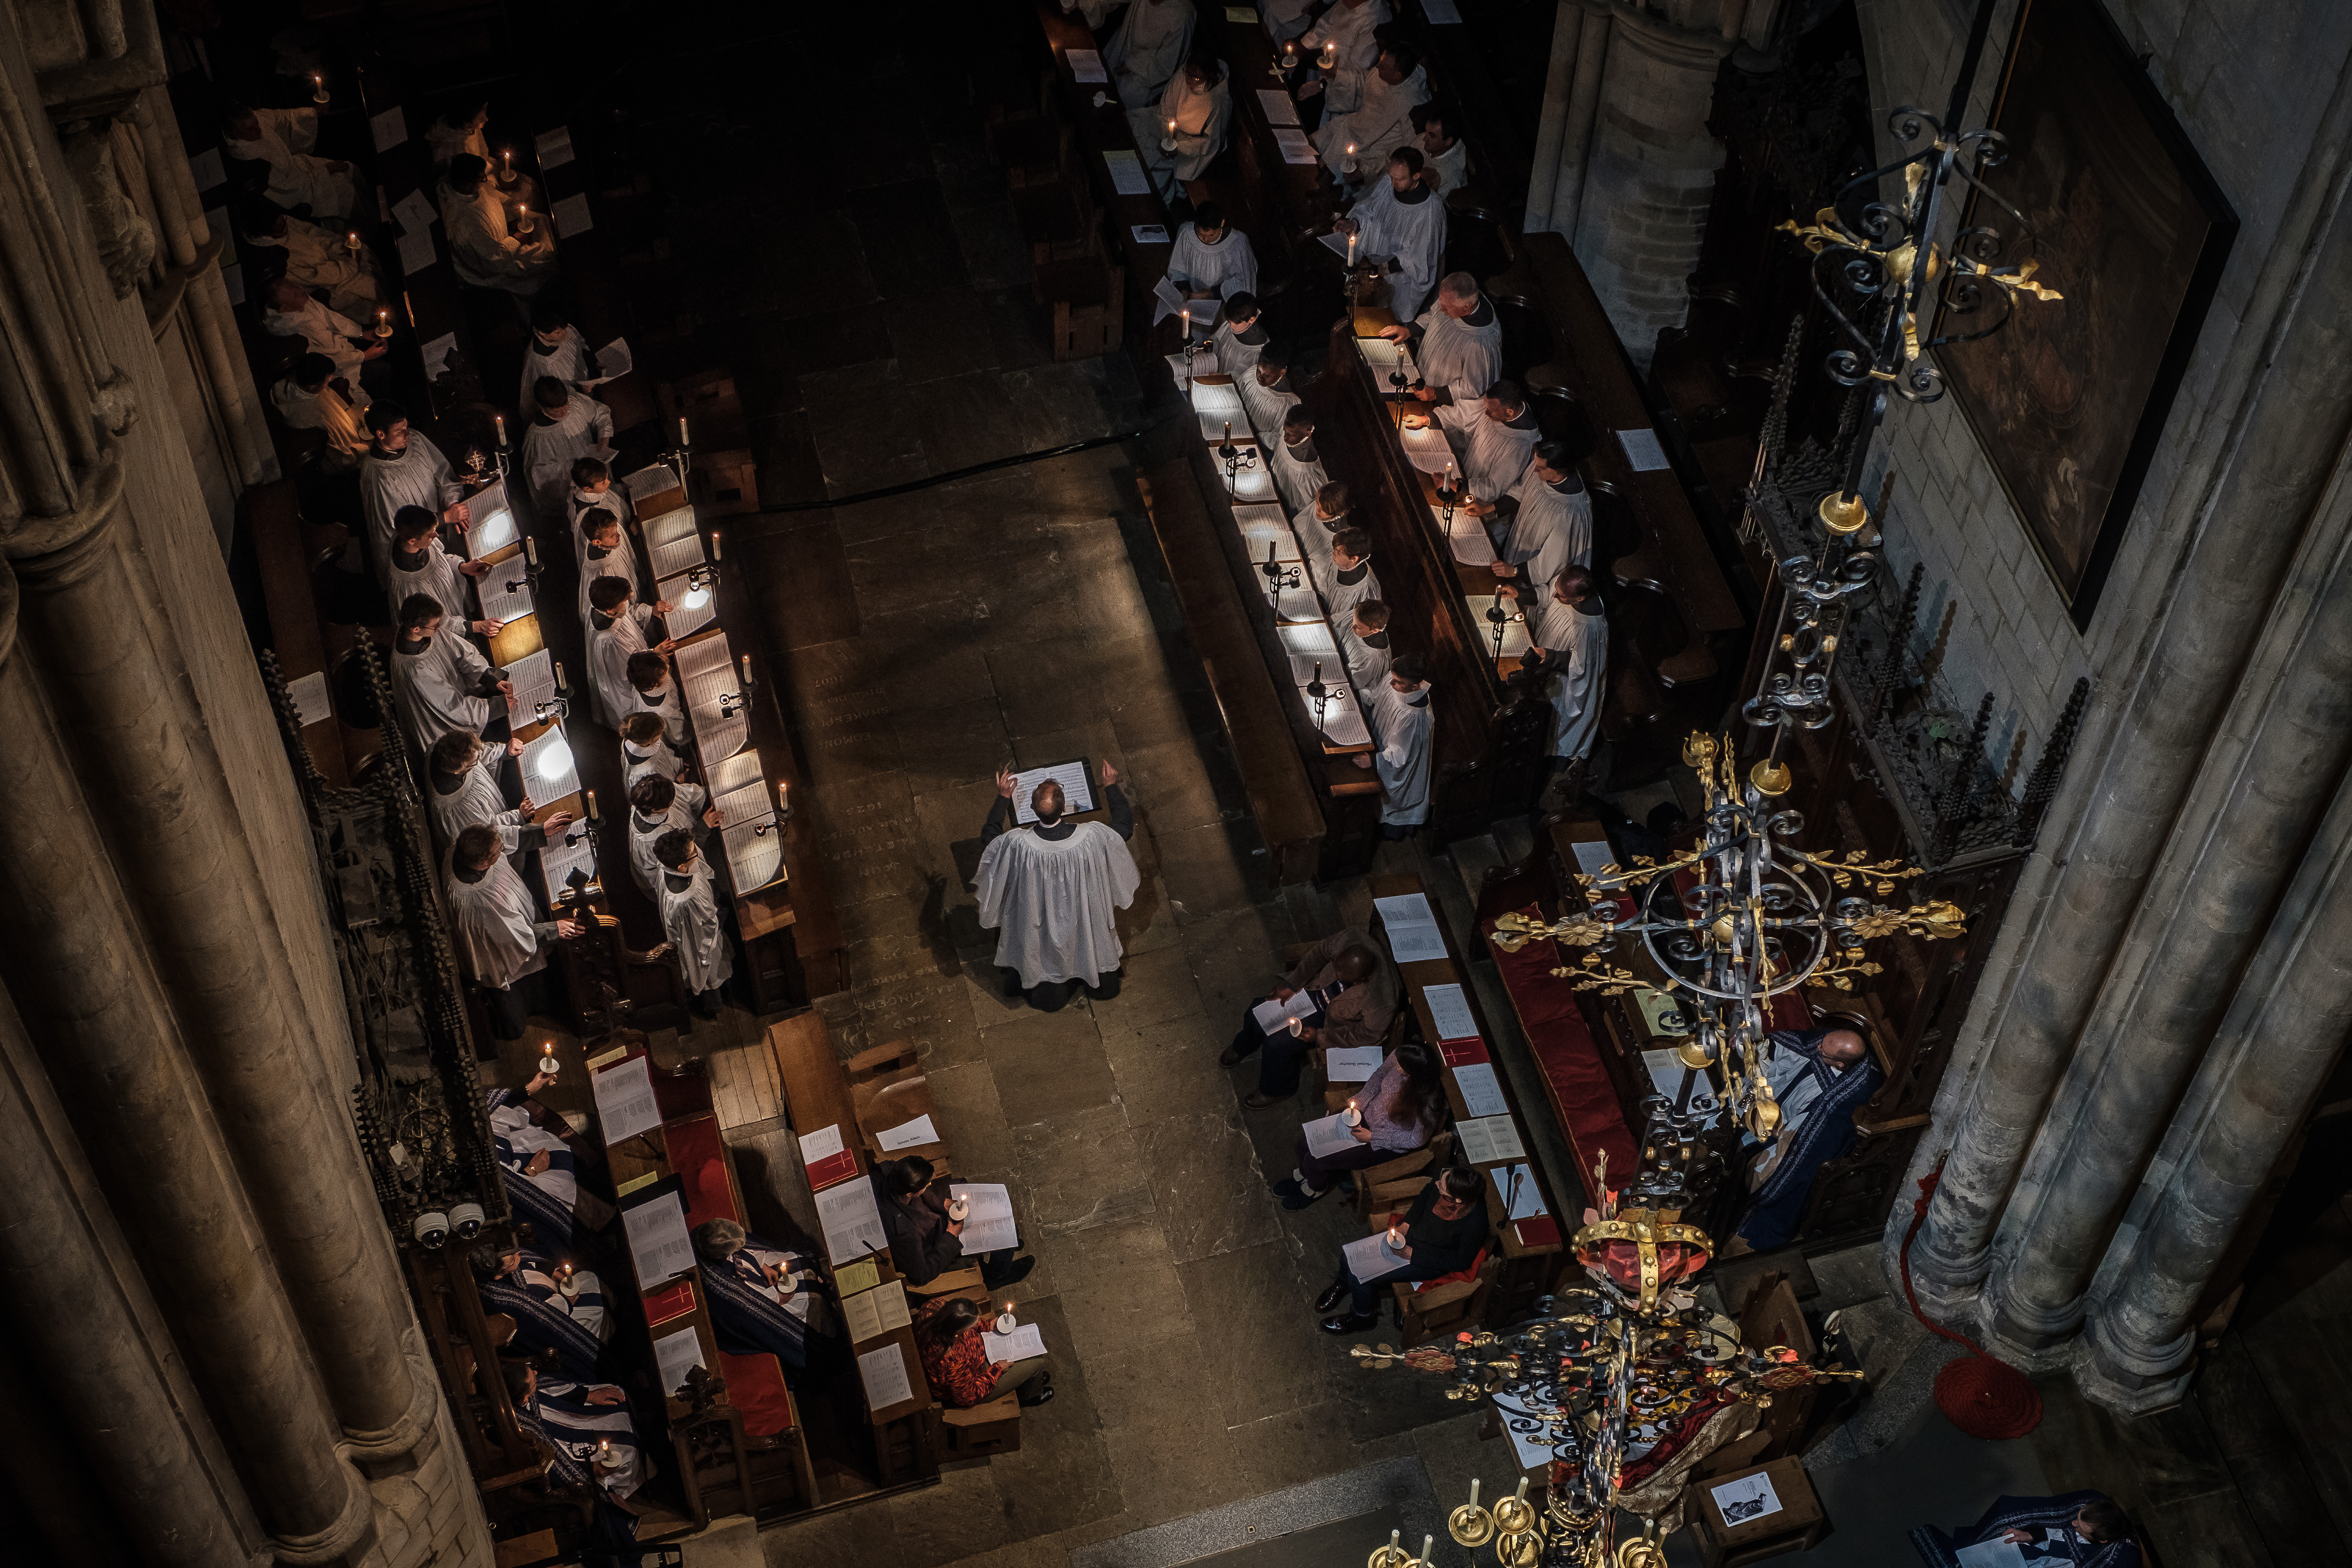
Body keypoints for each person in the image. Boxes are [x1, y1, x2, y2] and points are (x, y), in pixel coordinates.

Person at [974, 763, 1140, 1010]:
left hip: (1039, 917)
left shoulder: (1018, 844)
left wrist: (1003, 797)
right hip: (1083, 913)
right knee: (1088, 938)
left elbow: (990, 838)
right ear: (1065, 808)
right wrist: (1111, 786)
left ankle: (1050, 991)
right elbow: (1124, 828)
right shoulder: (1092, 836)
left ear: (1032, 810)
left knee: (1040, 948)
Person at [1735, 1027, 1885, 1252]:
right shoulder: (1826, 1046)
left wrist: (1778, 1130)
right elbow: (1794, 1043)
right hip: (1771, 1107)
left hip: (1785, 1126)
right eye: (1822, 1043)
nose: (1816, 1048)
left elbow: (1808, 1138)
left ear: (1841, 1065)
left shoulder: (1840, 1098)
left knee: (1762, 1167)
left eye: (1822, 1051)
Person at [1220, 928, 1399, 1108]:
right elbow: (1319, 954)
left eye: (1344, 979)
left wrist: (1321, 1036)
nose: (1336, 977)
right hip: (1311, 991)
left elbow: (1366, 1035)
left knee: (1278, 1045)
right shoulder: (1350, 939)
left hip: (1328, 1020)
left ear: (1362, 979)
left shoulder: (1382, 1000)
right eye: (1336, 968)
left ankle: (1277, 1089)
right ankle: (1243, 1045)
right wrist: (1291, 984)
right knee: (1257, 1012)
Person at [448, 824, 582, 1041]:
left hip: (509, 924)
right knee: (520, 999)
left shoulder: (465, 846)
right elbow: (511, 937)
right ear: (484, 864)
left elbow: (501, 839)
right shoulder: (478, 902)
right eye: (497, 852)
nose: (502, 850)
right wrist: (553, 929)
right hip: (498, 950)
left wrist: (539, 832)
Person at [1316, 1164, 1488, 1332]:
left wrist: (1412, 1255)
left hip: (1426, 1259)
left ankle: (1363, 1317)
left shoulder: (1475, 1223)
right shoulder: (1447, 1179)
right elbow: (1425, 1195)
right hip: (1410, 1236)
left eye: (1442, 1190)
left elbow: (1460, 1261)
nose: (1437, 1184)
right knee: (1348, 1257)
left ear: (1457, 1200)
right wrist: (1407, 1223)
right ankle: (1342, 1285)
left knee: (1359, 1275)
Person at [1274, 1039, 1443, 1208]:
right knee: (1304, 1143)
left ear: (1415, 1074)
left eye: (1402, 1069)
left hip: (1382, 1143)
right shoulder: (1401, 1056)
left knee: (1317, 1158)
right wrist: (1361, 1099)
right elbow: (1379, 1076)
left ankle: (1315, 1188)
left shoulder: (1428, 1101)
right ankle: (1304, 1174)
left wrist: (1373, 1138)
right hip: (1362, 1116)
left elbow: (1416, 1140)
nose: (1396, 1067)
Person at [691, 1219, 847, 1392]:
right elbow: (750, 1310)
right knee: (811, 1301)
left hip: (750, 1271)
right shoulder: (721, 1287)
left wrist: (761, 1264)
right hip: (754, 1300)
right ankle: (831, 1331)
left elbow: (742, 1252)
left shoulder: (710, 1233)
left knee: (798, 1261)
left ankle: (822, 1286)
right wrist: (779, 1298)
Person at [498, 1362, 651, 1509]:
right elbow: (554, 1459)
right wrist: (590, 1469)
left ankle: (640, 1420)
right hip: (563, 1444)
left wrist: (587, 1395)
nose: (537, 1373)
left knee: (615, 1395)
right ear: (523, 1399)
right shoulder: (523, 1427)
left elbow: (549, 1387)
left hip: (570, 1414)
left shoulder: (519, 1387)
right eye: (533, 1380)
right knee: (627, 1449)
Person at [871, 1155, 1035, 1290]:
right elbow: (920, 1275)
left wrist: (942, 1202)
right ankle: (997, 1276)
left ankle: (1010, 1241)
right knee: (1005, 1231)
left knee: (993, 1212)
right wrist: (951, 1236)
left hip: (930, 1213)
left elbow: (921, 1191)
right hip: (936, 1238)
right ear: (911, 1193)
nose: (929, 1185)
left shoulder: (893, 1172)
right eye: (926, 1184)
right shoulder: (904, 1233)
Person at [359, 401, 470, 584]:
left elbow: (444, 476)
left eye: (407, 427)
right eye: (399, 431)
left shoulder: (416, 442)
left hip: (444, 529)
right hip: (419, 550)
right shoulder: (378, 477)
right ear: (381, 434)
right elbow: (401, 528)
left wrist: (451, 502)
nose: (407, 434)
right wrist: (445, 517)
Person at [1518, 567, 1609, 786]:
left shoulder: (1591, 627)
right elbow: (1549, 592)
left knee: (1560, 719)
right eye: (1558, 590)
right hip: (1547, 659)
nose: (1556, 597)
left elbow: (1583, 667)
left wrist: (1550, 656)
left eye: (1562, 596)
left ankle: (1555, 761)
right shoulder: (1566, 590)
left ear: (1580, 597)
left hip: (1565, 679)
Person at [390, 593, 512, 751]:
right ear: (416, 629)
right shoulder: (415, 671)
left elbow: (463, 654)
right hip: (443, 725)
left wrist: (491, 678)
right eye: (435, 625)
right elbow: (451, 707)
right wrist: (499, 706)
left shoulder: (426, 631)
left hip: (461, 701)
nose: (440, 627)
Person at [472, 1239, 607, 1379]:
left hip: (552, 1293)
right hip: (558, 1320)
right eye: (513, 1259)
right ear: (498, 1276)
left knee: (587, 1278)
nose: (518, 1255)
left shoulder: (499, 1259)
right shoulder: (504, 1302)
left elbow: (527, 1261)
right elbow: (545, 1320)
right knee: (593, 1308)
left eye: (514, 1252)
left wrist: (552, 1273)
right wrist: (567, 1299)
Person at [1338, 146, 1445, 318]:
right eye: (1392, 176)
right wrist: (1354, 223)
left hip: (1399, 278)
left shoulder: (1430, 212)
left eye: (1400, 179)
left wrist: (1379, 267)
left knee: (1380, 315)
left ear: (1416, 176)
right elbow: (1370, 209)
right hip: (1373, 262)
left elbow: (1418, 259)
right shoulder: (1390, 183)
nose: (1393, 184)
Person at [1380, 272, 1502, 416]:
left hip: (1440, 404)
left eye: (1447, 307)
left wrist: (1435, 393)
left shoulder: (1481, 344)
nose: (1442, 309)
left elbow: (1473, 388)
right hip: (1420, 379)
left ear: (1466, 308)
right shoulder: (1451, 300)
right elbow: (1432, 316)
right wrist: (1408, 331)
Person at [1910, 1493, 2142, 1568]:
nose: (2073, 1522)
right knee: (2004, 1518)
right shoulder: (2093, 1502)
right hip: (2050, 1544)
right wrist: (2032, 1534)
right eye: (2079, 1516)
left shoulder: (2117, 1561)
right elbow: (2055, 1513)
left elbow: (2072, 1550)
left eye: (2080, 1526)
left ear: (2100, 1541)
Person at [1482, 440, 1593, 594]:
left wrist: (1514, 571)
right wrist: (1487, 508)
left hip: (1528, 580)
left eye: (1540, 467)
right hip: (1510, 557)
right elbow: (1520, 492)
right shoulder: (1542, 471)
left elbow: (1551, 560)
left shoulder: (1571, 513)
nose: (1534, 470)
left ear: (1558, 471)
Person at [220, 101, 363, 221]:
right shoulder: (254, 164)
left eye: (256, 122)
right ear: (237, 134)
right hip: (297, 192)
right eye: (250, 128)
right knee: (347, 193)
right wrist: (325, 172)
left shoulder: (254, 120)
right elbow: (289, 187)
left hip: (299, 167)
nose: (259, 129)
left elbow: (283, 119)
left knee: (350, 168)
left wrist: (313, 112)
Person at [440, 153, 554, 296]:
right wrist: (516, 240)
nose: (485, 181)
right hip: (494, 266)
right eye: (482, 178)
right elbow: (494, 261)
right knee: (545, 253)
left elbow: (491, 198)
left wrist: (512, 217)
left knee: (542, 220)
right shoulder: (465, 226)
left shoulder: (464, 186)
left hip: (504, 236)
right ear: (468, 185)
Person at [1312, 43, 1428, 181]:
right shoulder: (1383, 70)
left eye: (1383, 67)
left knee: (1319, 177)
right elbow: (1367, 82)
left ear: (1398, 76)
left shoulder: (1412, 106)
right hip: (1346, 128)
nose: (1377, 67)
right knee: (1305, 147)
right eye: (1380, 61)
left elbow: (1403, 148)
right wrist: (1337, 74)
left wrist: (1368, 169)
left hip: (1367, 152)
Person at [915, 1295, 1054, 1409]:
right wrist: (997, 1370)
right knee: (1037, 1361)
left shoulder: (934, 1307)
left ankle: (1030, 1383)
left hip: (977, 1358)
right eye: (974, 1323)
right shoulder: (953, 1360)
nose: (977, 1323)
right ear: (959, 1331)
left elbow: (962, 1320)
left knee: (1029, 1357)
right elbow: (968, 1397)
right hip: (977, 1380)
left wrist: (987, 1325)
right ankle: (1029, 1397)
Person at [651, 830, 733, 1019]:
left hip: (696, 933)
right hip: (698, 944)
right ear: (681, 867)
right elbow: (704, 930)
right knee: (708, 972)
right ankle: (714, 1008)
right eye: (693, 853)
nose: (696, 853)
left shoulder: (666, 866)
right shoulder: (688, 899)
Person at [244, 205, 382, 316]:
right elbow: (318, 276)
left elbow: (313, 235)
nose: (287, 228)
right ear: (265, 234)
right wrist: (350, 262)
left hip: (338, 260)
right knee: (372, 289)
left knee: (364, 251)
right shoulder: (278, 257)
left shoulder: (280, 221)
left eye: (284, 222)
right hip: (332, 284)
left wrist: (340, 249)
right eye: (281, 227)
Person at [388, 505, 496, 635]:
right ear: (412, 541)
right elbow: (436, 624)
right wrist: (478, 627)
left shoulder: (415, 538)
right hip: (455, 628)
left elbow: (439, 558)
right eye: (431, 535)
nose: (436, 535)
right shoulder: (410, 587)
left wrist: (463, 567)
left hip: (457, 601)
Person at [521, 376, 616, 522]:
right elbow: (540, 478)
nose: (565, 412)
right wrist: (575, 468)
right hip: (576, 493)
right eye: (558, 411)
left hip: (599, 472)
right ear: (542, 407)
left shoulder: (575, 403)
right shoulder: (537, 438)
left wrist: (604, 440)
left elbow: (601, 414)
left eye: (565, 405)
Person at [1360, 653, 1433, 837]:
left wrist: (1374, 760)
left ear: (1415, 686)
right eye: (1393, 678)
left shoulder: (1414, 715)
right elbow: (1378, 696)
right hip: (1380, 738)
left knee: (1395, 793)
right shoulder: (1398, 681)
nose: (1392, 684)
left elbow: (1401, 754)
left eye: (1398, 682)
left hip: (1397, 757)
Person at [261, 275, 384, 382]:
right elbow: (324, 363)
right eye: (296, 294)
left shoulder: (300, 301)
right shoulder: (292, 334)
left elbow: (329, 317)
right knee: (384, 370)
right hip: (340, 367)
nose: (302, 290)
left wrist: (361, 333)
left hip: (343, 344)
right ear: (285, 309)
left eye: (297, 286)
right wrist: (364, 356)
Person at [587, 576, 673, 728]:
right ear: (611, 610)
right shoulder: (609, 640)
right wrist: (654, 654)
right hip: (630, 678)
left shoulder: (607, 608)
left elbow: (627, 615)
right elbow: (627, 671)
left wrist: (651, 611)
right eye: (624, 602)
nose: (627, 603)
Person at [427, 728, 532, 852]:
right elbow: (489, 830)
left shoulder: (451, 750)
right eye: (474, 763)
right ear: (457, 771)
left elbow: (476, 752)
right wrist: (518, 816)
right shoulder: (459, 808)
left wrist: (504, 750)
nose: (477, 763)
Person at [270, 351, 371, 472]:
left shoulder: (287, 384)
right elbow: (345, 456)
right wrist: (365, 446)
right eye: (327, 382)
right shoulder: (316, 415)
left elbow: (337, 405)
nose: (329, 384)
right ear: (313, 387)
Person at [627, 775, 719, 903]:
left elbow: (681, 794)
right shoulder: (658, 839)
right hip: (675, 873)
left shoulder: (650, 797)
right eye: (671, 801)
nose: (674, 798)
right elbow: (686, 855)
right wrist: (704, 826)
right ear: (655, 810)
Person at [1296, 0, 1391, 122]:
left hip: (1339, 92)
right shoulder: (1349, 3)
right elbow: (1324, 28)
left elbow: (1353, 77)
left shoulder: (1375, 24)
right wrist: (1299, 51)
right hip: (1323, 70)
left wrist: (1320, 85)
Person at [1104, 0, 1196, 111]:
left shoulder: (1183, 16)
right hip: (1125, 47)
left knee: (1124, 98)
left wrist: (1132, 65)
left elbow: (1167, 64)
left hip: (1150, 73)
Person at [1166, 201, 1258, 304]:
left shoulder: (1238, 242)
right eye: (1201, 234)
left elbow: (1245, 282)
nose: (1206, 240)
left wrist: (1213, 294)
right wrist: (1183, 289)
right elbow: (1177, 268)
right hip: (1194, 300)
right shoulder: (1186, 233)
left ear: (1222, 223)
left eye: (1211, 235)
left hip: (1227, 303)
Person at [520, 300, 601, 410]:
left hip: (587, 385)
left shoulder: (564, 330)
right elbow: (548, 395)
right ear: (542, 333)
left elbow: (581, 345)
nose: (565, 334)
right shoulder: (537, 362)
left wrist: (595, 364)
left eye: (564, 328)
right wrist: (582, 390)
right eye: (558, 333)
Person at [576, 509, 641, 630]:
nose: (618, 535)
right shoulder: (603, 573)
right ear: (596, 542)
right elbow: (618, 607)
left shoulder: (612, 531)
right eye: (612, 536)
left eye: (616, 528)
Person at [1314, 525, 1383, 625]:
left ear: (1354, 559)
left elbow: (1353, 623)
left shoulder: (1366, 590)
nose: (1333, 554)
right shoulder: (1338, 560)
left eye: (1339, 553)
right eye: (1335, 550)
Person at [1269, 406, 1330, 514]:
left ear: (1307, 433)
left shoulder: (1308, 471)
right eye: (1285, 430)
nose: (1285, 438)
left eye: (1291, 435)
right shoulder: (1289, 433)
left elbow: (1305, 507)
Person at [1236, 339, 1300, 439]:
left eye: (1268, 375)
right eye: (1259, 370)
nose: (1260, 378)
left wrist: (1253, 436)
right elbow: (1236, 392)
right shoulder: (1251, 375)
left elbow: (1277, 438)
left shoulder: (1287, 404)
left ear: (1282, 372)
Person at [627, 650, 689, 748]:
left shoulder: (644, 674)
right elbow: (677, 734)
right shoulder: (662, 709)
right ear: (655, 684)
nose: (668, 668)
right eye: (664, 673)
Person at [1339, 599, 1395, 702]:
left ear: (1375, 630)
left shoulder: (1375, 655)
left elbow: (1357, 682)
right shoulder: (1359, 619)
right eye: (1353, 620)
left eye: (1358, 627)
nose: (1353, 626)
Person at [621, 710, 688, 787]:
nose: (661, 735)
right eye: (658, 735)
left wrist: (678, 764)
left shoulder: (633, 738)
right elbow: (659, 793)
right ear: (646, 743)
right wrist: (677, 782)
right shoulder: (649, 771)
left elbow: (663, 756)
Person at [1212, 291, 1269, 382]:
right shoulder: (1235, 321)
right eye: (1229, 322)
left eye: (1234, 323)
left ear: (1252, 320)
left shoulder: (1256, 349)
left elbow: (1243, 377)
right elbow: (1218, 341)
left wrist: (1222, 378)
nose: (1230, 326)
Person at [1412, 103, 1468, 193]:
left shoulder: (1451, 177)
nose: (1424, 139)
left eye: (1432, 136)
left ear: (1448, 141)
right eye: (1427, 132)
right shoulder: (1421, 143)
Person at [426, 99, 491, 175]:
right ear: (467, 123)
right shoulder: (459, 148)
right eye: (481, 119)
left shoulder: (466, 127)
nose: (487, 119)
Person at [1293, 479, 1349, 563]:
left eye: (1323, 510)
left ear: (1334, 513)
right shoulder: (1320, 505)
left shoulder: (1335, 536)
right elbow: (1300, 523)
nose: (1318, 510)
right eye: (1317, 504)